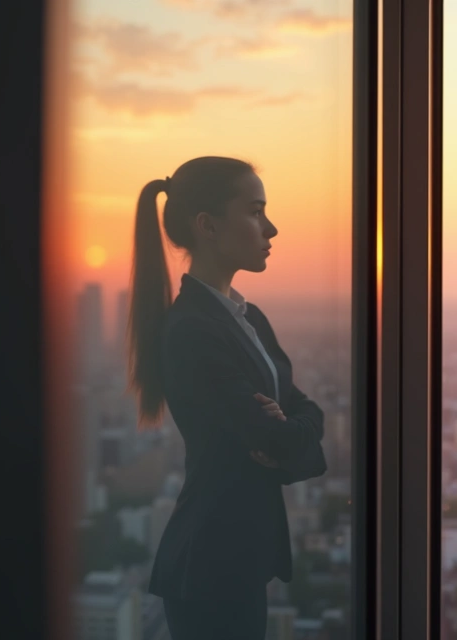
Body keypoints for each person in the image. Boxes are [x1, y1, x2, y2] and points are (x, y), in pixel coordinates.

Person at [127, 156, 327, 639]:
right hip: (210, 561)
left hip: (235, 556)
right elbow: (280, 433)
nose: (271, 228)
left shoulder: (247, 318)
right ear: (208, 226)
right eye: (256, 211)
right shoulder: (194, 329)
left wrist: (288, 431)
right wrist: (287, 434)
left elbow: (305, 412)